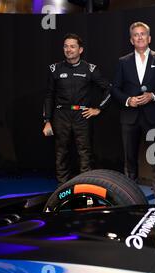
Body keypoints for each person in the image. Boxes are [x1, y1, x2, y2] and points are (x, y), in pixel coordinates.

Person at [111, 22, 155, 204]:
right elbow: (114, 88)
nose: (139, 37)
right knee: (129, 161)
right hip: (129, 117)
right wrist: (128, 100)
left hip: (153, 116)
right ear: (131, 40)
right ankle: (130, 200)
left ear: (149, 38)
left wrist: (153, 96)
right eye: (136, 35)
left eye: (143, 34)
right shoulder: (123, 62)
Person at [43, 33, 111, 185]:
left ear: (80, 50)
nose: (69, 49)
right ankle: (62, 188)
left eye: (72, 46)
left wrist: (98, 109)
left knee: (85, 154)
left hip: (82, 115)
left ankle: (85, 187)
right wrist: (47, 120)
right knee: (61, 153)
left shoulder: (90, 69)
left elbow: (108, 89)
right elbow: (49, 96)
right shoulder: (55, 69)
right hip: (61, 115)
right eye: (66, 46)